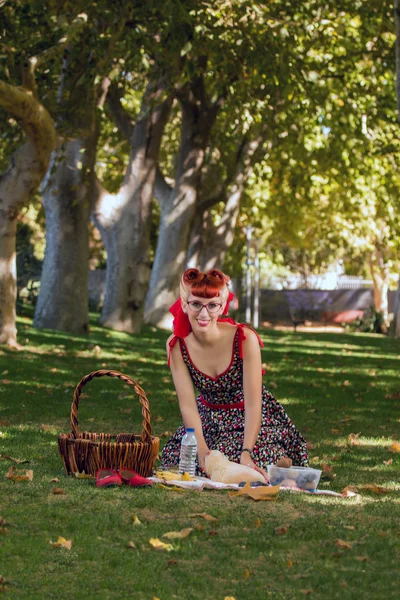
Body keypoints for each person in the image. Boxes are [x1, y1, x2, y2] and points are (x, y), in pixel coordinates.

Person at [161, 268, 308, 480]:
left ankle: (271, 462)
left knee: (236, 456)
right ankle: (265, 469)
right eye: (196, 304)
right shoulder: (176, 345)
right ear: (184, 304)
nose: (204, 314)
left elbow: (253, 404)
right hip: (207, 419)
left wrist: (247, 452)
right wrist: (202, 451)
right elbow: (187, 406)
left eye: (212, 305)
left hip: (248, 418)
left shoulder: (244, 338)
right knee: (177, 458)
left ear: (222, 307)